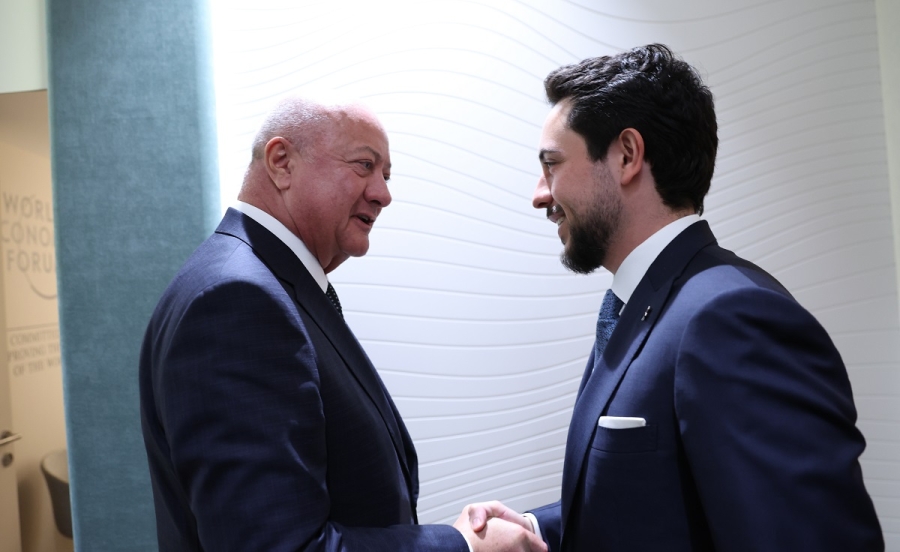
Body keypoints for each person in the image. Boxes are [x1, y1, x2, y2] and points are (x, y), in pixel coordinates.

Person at [464, 44, 884, 550]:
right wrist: (533, 531)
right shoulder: (647, 304)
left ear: (626, 155)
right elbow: (656, 500)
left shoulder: (732, 317)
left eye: (552, 164)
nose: (539, 194)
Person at [139, 96, 546, 552]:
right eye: (364, 165)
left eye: (386, 175)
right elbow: (278, 545)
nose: (383, 194)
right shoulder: (238, 300)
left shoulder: (265, 283)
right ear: (281, 162)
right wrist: (462, 546)